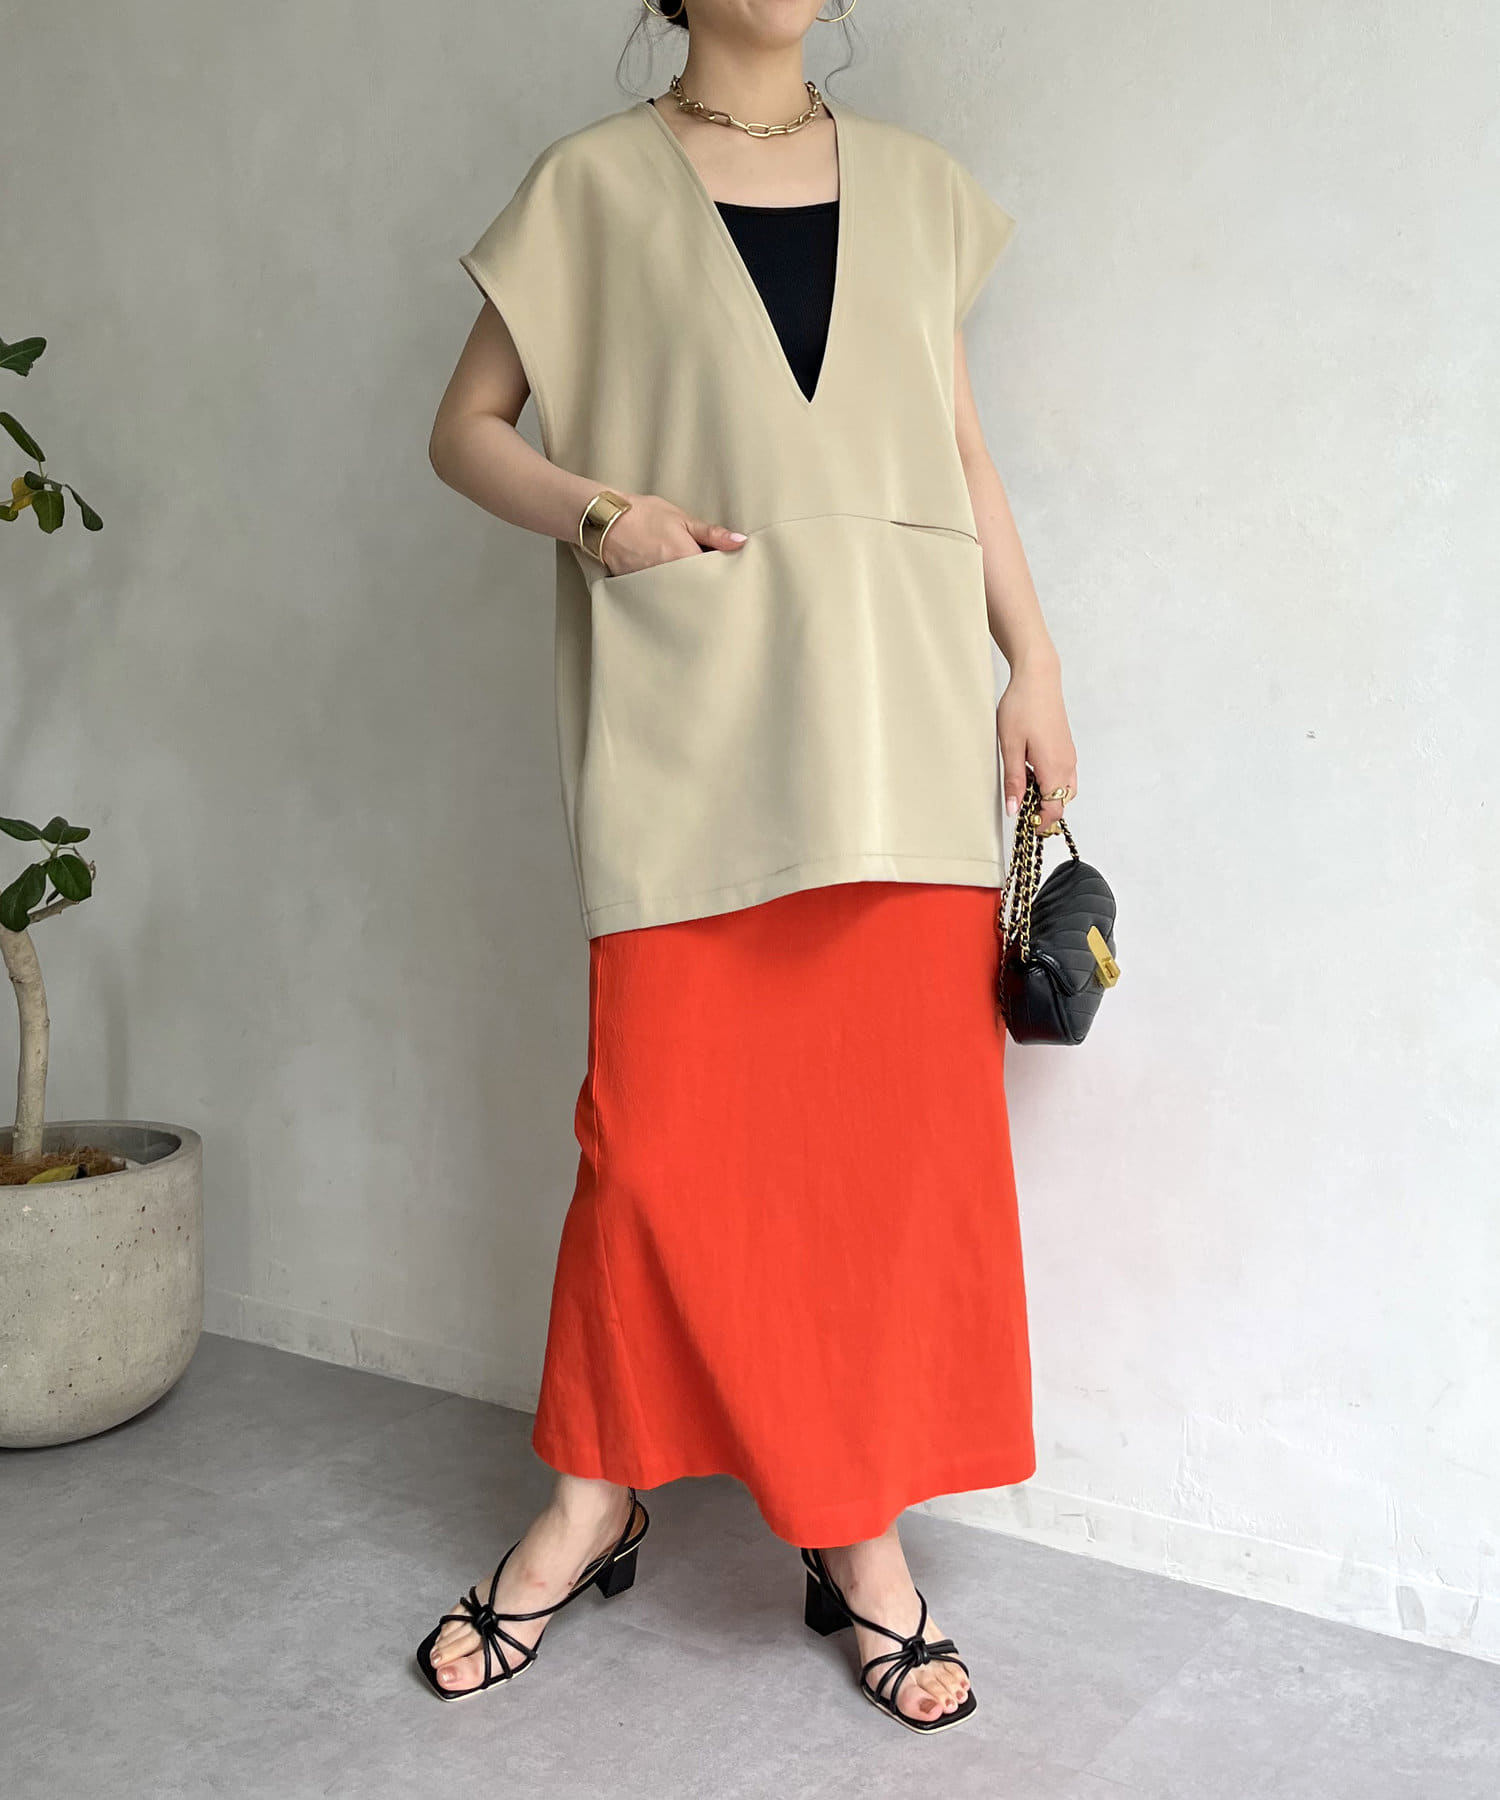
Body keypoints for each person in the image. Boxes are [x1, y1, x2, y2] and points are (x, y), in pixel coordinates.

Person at [418, 0, 1077, 1735]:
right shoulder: (587, 187)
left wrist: (1034, 664)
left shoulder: (921, 189)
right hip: (693, 725)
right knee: (648, 1150)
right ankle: (594, 1496)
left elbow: (961, 451)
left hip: (897, 725)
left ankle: (857, 1534)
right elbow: (465, 428)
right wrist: (601, 515)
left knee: (882, 1159)